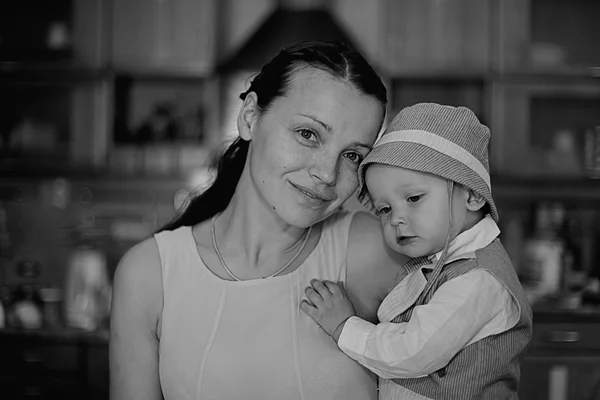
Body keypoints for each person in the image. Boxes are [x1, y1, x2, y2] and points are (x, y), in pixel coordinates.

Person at [109, 40, 408, 400]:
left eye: (352, 156)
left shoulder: (379, 251)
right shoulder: (148, 275)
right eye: (308, 134)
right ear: (250, 116)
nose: (328, 174)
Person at [301, 103, 533, 399]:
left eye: (413, 198)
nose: (396, 218)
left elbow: (413, 352)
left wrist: (344, 326)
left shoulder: (479, 281)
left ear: (473, 195)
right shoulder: (439, 263)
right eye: (384, 209)